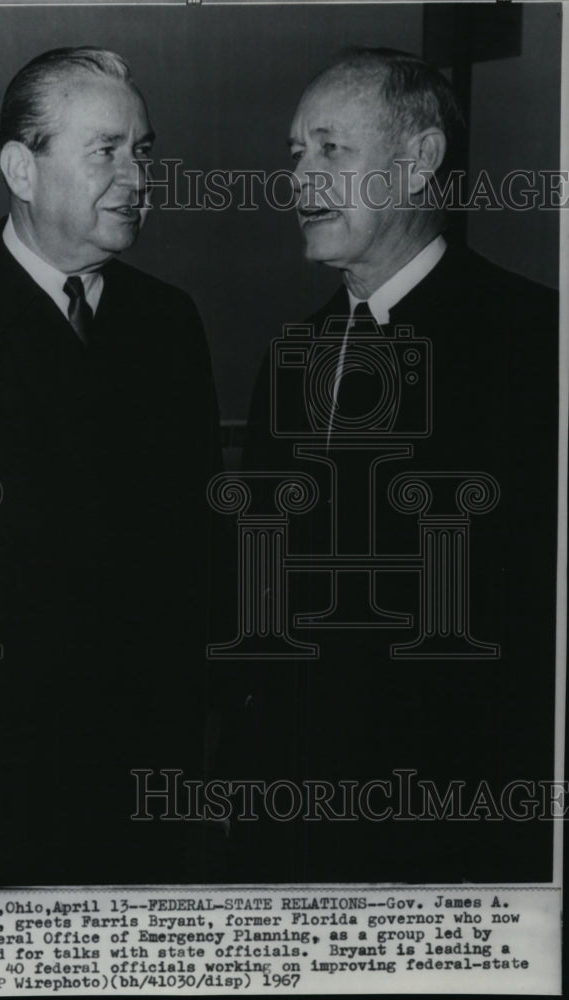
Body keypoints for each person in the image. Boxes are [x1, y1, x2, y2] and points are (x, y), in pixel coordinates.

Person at [0, 47, 221, 887]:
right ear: (22, 168)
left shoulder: (168, 324)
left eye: (144, 150)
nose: (136, 176)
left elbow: (196, 554)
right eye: (106, 150)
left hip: (145, 782)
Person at [233, 47, 558, 882]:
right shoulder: (292, 353)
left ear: (419, 161)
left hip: (465, 836)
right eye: (297, 154)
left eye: (331, 149)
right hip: (295, 833)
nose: (301, 179)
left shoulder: (536, 342)